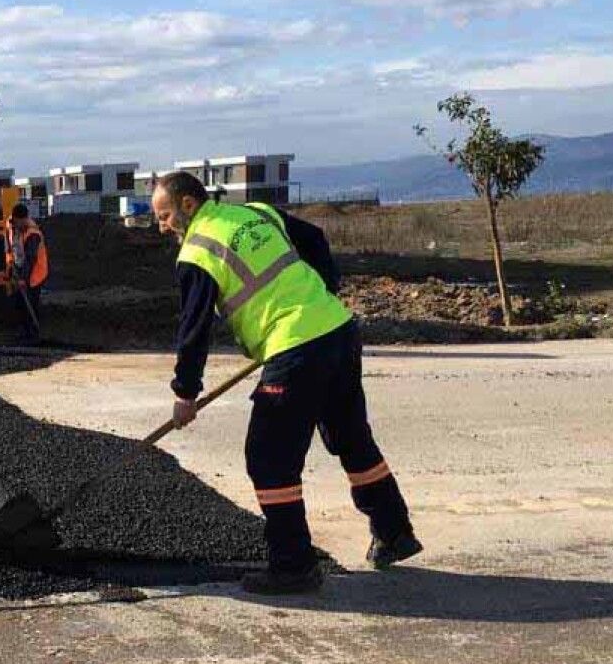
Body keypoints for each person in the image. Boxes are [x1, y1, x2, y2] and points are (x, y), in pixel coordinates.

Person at [151, 170, 421, 595]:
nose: (162, 226)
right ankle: (394, 532)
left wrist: (185, 393)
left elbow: (194, 329)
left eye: (165, 216)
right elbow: (314, 238)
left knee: (269, 457)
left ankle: (293, 564)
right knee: (351, 438)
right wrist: (324, 289)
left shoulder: (198, 251)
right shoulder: (255, 213)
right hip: (337, 331)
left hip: (297, 348)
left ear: (188, 204)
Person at [5, 202, 49, 343]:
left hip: (35, 273)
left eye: (23, 221)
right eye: (19, 221)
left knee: (31, 302)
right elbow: (11, 249)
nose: (21, 224)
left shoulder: (33, 234)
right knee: (19, 303)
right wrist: (12, 269)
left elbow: (30, 259)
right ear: (15, 219)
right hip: (19, 269)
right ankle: (24, 332)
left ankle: (33, 333)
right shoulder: (10, 226)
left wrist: (24, 279)